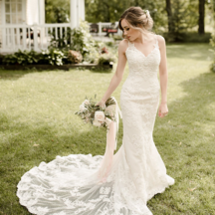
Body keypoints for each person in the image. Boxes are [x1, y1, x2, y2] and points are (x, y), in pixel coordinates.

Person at [17, 7, 174, 215]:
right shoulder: (124, 45)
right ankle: (136, 189)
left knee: (144, 138)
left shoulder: (159, 41)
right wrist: (102, 99)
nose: (125, 33)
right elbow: (118, 75)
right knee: (134, 139)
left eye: (127, 28)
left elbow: (163, 72)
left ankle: (150, 176)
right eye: (123, 29)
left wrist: (164, 101)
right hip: (131, 97)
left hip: (151, 98)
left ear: (139, 24)